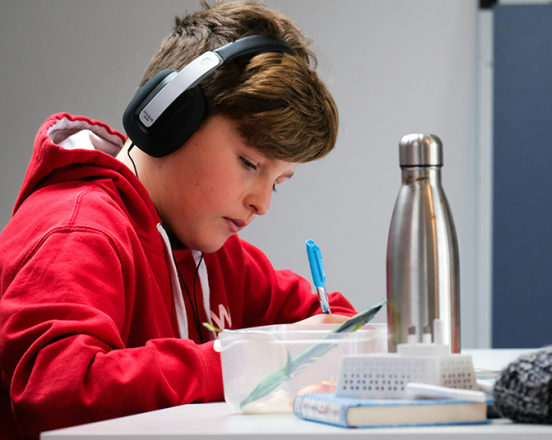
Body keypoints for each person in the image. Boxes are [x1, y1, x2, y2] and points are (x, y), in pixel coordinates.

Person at [0, 1, 356, 438]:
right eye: (249, 163)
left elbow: (330, 319)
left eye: (278, 182)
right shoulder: (77, 230)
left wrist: (329, 337)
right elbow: (60, 390)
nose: (262, 203)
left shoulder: (214, 253)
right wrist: (247, 359)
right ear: (170, 120)